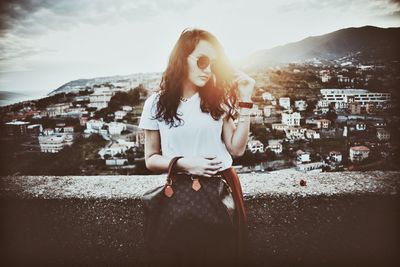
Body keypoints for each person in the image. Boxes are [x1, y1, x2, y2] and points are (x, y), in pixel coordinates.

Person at [138, 28, 255, 267]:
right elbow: (150, 158)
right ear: (182, 59)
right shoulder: (155, 104)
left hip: (222, 186)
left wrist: (245, 101)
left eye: (213, 63)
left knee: (224, 256)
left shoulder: (218, 99)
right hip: (180, 191)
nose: (209, 69)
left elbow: (237, 149)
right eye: (202, 61)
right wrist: (184, 163)